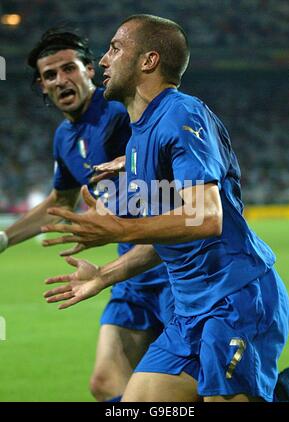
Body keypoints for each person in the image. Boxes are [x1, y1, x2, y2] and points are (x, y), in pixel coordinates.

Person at [41, 15, 289, 402]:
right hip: (189, 312)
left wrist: (119, 230)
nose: (103, 61)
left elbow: (207, 218)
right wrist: (106, 274)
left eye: (115, 48)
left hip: (235, 298)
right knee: (132, 403)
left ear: (148, 61)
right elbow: (167, 239)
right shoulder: (139, 136)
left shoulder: (181, 113)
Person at [0, 28, 175, 402]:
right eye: (50, 75)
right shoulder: (65, 137)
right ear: (42, 86)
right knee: (107, 383)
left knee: (183, 391)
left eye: (69, 68)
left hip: (172, 265)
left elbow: (164, 152)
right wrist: (4, 239)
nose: (61, 79)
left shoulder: (119, 110)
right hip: (131, 271)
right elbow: (59, 203)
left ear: (90, 70)